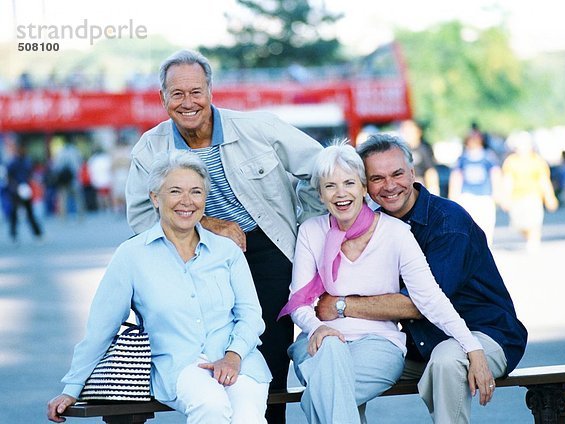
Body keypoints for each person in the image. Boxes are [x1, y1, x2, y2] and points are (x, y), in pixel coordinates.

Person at [125, 49, 326, 423]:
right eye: (177, 94)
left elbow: (321, 168)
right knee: (213, 358)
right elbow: (139, 217)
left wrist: (308, 228)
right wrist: (209, 226)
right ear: (162, 98)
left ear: (211, 90)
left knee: (268, 361)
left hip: (266, 251)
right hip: (197, 257)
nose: (188, 103)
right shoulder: (150, 149)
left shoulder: (257, 128)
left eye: (196, 91)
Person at [47, 150, 272, 424]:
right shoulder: (131, 255)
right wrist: (72, 387)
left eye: (196, 192)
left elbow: (250, 315)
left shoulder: (227, 251)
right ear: (155, 198)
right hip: (179, 366)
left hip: (240, 362)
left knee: (248, 417)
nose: (187, 202)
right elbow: (101, 328)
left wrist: (233, 356)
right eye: (175, 191)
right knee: (210, 405)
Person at [316, 134, 527, 423]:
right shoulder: (373, 224)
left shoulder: (448, 223)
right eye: (377, 178)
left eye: (397, 174)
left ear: (413, 172)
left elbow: (420, 303)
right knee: (341, 374)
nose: (389, 186)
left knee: (446, 360)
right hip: (419, 344)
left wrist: (341, 306)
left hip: (482, 334)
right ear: (365, 185)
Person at [279, 142, 492, 424]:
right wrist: (320, 329)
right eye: (330, 186)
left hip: (378, 344)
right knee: (330, 354)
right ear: (320, 193)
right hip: (318, 343)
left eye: (349, 183)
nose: (341, 193)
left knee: (321, 392)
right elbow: (299, 303)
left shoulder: (396, 233)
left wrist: (471, 346)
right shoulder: (311, 232)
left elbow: (430, 298)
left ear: (364, 189)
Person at [501, 131, 558, 252]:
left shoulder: (538, 161)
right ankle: (530, 238)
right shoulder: (511, 161)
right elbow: (508, 180)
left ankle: (533, 241)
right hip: (517, 197)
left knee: (534, 221)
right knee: (518, 224)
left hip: (533, 196)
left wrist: (550, 197)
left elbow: (544, 180)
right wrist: (505, 197)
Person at [448, 129, 501, 245]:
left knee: (486, 224)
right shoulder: (463, 158)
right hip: (467, 195)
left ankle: (486, 247)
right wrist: (453, 196)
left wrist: (497, 192)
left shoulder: (488, 156)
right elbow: (456, 176)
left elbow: (495, 174)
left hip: (484, 195)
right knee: (469, 224)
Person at [6, 143, 44, 243]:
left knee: (30, 213)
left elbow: (29, 174)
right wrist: (16, 187)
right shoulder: (13, 162)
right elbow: (9, 176)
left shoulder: (26, 161)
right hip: (15, 191)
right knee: (14, 213)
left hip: (26, 190)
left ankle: (37, 233)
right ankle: (13, 234)